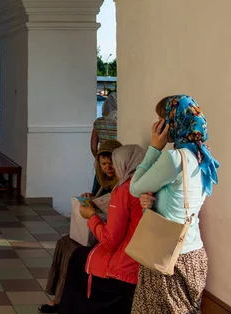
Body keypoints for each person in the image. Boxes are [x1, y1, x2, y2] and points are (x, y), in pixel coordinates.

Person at [129, 95, 219, 314]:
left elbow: (134, 187)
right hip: (194, 256)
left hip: (167, 256)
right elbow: (180, 200)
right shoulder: (203, 156)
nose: (158, 125)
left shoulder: (174, 158)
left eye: (162, 119)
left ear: (174, 121)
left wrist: (154, 148)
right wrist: (152, 201)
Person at [58, 145, 146, 314]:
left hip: (123, 267)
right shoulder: (146, 186)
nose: (110, 168)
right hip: (139, 258)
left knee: (77, 257)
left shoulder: (125, 189)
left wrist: (91, 216)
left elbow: (109, 241)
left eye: (114, 163)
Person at [41, 139, 122, 313]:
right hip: (98, 228)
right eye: (103, 164)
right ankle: (58, 296)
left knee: (74, 253)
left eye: (111, 163)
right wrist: (89, 198)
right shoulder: (102, 180)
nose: (108, 168)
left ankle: (63, 300)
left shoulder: (123, 185)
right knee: (64, 243)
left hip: (107, 236)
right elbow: (99, 202)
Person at [91, 93, 118, 196]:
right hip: (117, 161)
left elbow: (93, 147)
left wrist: (100, 159)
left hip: (102, 158)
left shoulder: (99, 122)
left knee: (97, 191)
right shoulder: (122, 122)